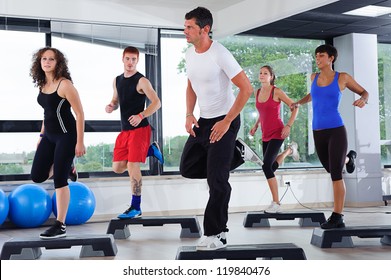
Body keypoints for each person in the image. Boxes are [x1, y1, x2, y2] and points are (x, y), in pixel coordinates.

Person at [180, 6, 260, 251]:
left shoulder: (220, 54)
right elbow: (191, 85)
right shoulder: (190, 54)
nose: (185, 31)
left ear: (205, 29)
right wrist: (189, 113)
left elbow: (246, 89)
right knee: (188, 167)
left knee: (217, 180)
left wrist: (227, 123)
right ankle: (239, 153)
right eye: (184, 26)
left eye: (189, 26)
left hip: (226, 120)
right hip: (204, 121)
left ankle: (216, 233)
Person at [291, 44, 368, 229]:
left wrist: (363, 99)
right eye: (316, 56)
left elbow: (364, 92)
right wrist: (298, 103)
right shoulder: (313, 77)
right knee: (330, 167)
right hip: (318, 131)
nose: (318, 59)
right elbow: (313, 94)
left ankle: (337, 216)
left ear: (331, 58)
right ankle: (349, 157)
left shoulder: (342, 78)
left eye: (322, 56)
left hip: (336, 130)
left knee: (335, 175)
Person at [30, 47, 86, 239]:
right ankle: (67, 166)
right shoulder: (43, 85)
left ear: (57, 63)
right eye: (44, 59)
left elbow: (79, 114)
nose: (46, 62)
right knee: (37, 176)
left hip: (66, 136)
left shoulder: (65, 85)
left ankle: (60, 225)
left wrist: (80, 142)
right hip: (49, 136)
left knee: (59, 180)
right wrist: (41, 136)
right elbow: (47, 113)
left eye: (51, 59)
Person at [105, 46, 162, 219]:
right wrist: (111, 106)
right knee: (117, 167)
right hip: (125, 131)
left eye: (134, 60)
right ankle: (150, 150)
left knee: (132, 165)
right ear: (122, 59)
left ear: (137, 61)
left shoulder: (142, 81)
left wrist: (141, 115)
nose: (130, 63)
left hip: (140, 129)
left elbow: (157, 102)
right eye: (128, 59)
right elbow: (116, 99)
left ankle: (136, 207)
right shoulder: (117, 80)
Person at [249, 65, 299, 213]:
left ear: (271, 77)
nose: (262, 75)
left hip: (278, 131)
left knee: (266, 167)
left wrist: (288, 126)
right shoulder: (257, 92)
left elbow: (295, 107)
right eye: (260, 73)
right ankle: (290, 150)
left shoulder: (276, 91)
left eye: (266, 73)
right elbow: (262, 112)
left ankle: (276, 203)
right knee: (269, 167)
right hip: (265, 133)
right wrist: (256, 125)